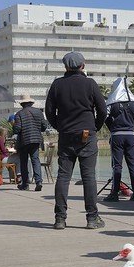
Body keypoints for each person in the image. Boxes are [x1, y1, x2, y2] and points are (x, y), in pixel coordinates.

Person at [45, 51, 107, 230]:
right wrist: (95, 126)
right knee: (89, 177)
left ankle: (60, 218)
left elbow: (49, 111)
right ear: (83, 66)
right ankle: (92, 218)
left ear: (65, 66)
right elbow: (103, 110)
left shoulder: (57, 85)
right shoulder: (90, 84)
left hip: (66, 134)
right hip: (87, 134)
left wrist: (59, 126)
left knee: (63, 177)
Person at [103, 77, 134, 202]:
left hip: (117, 136)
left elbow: (103, 115)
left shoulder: (112, 102)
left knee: (117, 165)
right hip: (130, 136)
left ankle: (115, 193)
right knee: (133, 165)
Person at [13, 94, 48, 191]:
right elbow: (44, 127)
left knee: (23, 162)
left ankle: (25, 184)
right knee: (35, 160)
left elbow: (17, 129)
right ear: (31, 103)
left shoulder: (19, 114)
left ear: (22, 104)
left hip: (24, 141)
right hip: (36, 139)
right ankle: (39, 181)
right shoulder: (39, 112)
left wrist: (13, 125)